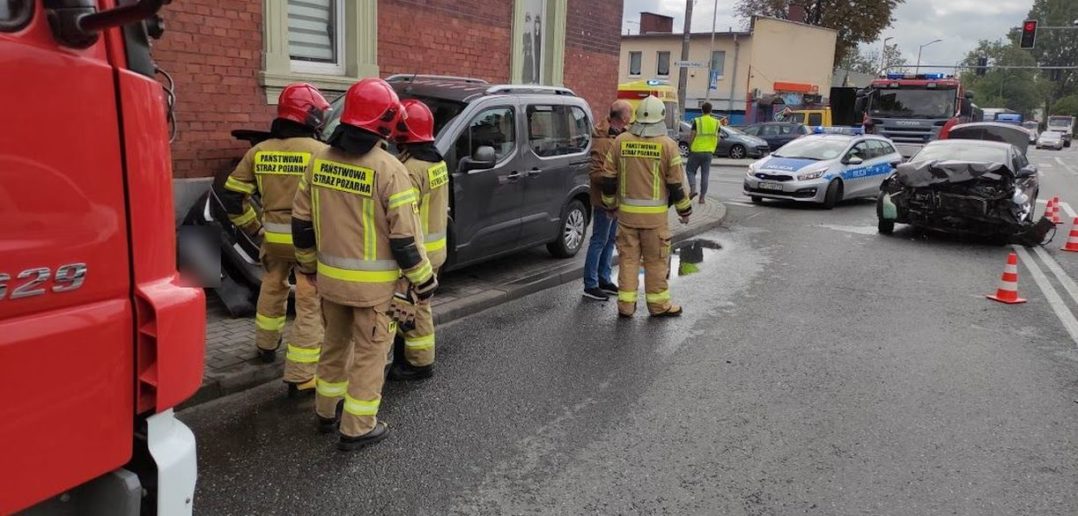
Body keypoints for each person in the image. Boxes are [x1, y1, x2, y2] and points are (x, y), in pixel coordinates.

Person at [291, 78, 437, 451]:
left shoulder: (317, 162)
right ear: (386, 122)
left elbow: (302, 225)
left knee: (334, 348)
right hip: (374, 293)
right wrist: (423, 282)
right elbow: (405, 239)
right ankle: (357, 428)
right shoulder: (389, 169)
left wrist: (308, 267)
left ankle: (326, 412)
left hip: (329, 284)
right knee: (370, 358)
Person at [219, 83, 330, 396]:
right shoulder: (321, 153)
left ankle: (266, 346)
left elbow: (232, 196)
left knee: (271, 287)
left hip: (272, 239)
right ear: (309, 117)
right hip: (309, 240)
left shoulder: (258, 151)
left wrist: (253, 228)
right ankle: (301, 374)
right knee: (310, 303)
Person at [601, 95, 693, 318]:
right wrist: (685, 211)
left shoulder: (621, 141)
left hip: (627, 218)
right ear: (660, 118)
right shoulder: (668, 146)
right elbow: (676, 185)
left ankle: (626, 306)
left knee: (628, 261)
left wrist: (610, 206)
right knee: (655, 263)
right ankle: (659, 306)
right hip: (655, 221)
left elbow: (608, 178)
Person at [389, 99, 448, 381]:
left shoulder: (410, 170)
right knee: (414, 304)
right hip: (435, 250)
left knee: (417, 306)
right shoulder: (436, 161)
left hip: (418, 252)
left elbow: (403, 216)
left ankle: (420, 363)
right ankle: (411, 356)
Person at [582, 99, 632, 301]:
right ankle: (591, 284)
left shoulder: (620, 136)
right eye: (629, 115)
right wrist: (618, 178)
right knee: (599, 241)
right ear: (623, 117)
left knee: (610, 240)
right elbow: (595, 174)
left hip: (616, 199)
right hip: (605, 200)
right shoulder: (603, 141)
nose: (631, 119)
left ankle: (603, 278)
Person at [686, 102, 720, 204]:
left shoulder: (697, 121)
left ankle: (692, 190)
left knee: (690, 171)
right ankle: (702, 198)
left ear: (702, 110)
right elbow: (718, 138)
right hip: (709, 152)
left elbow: (692, 136)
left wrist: (689, 147)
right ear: (711, 110)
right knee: (705, 175)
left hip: (696, 150)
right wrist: (712, 146)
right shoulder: (717, 123)